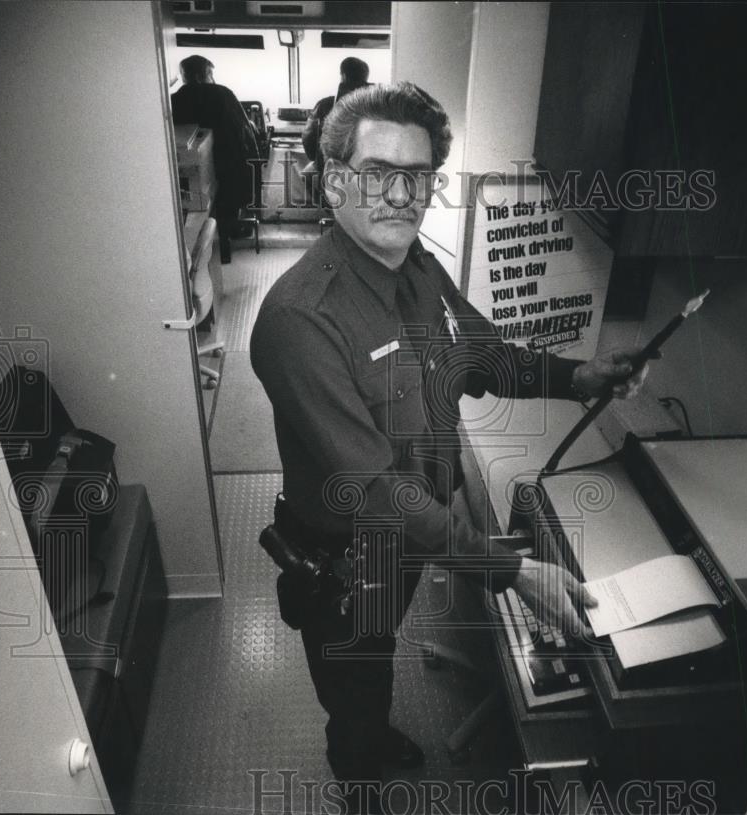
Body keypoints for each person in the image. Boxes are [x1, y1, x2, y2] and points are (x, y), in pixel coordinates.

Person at [250, 82, 653, 812]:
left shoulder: (423, 272)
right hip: (348, 555)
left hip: (409, 544)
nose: (404, 192)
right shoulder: (299, 319)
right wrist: (507, 568)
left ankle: (373, 736)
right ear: (336, 178)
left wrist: (578, 374)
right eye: (380, 172)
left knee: (380, 660)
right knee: (356, 678)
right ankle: (361, 773)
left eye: (421, 174)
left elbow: (484, 356)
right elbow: (376, 490)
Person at [171, 55, 259, 262]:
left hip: (194, 172)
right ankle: (226, 250)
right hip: (231, 165)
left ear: (184, 75)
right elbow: (245, 131)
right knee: (227, 209)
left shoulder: (174, 100)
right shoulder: (224, 94)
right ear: (205, 74)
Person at [301, 57, 373, 190]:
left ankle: (330, 208)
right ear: (366, 77)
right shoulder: (376, 103)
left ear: (343, 76)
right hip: (368, 172)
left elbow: (309, 142)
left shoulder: (324, 105)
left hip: (333, 171)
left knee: (307, 174)